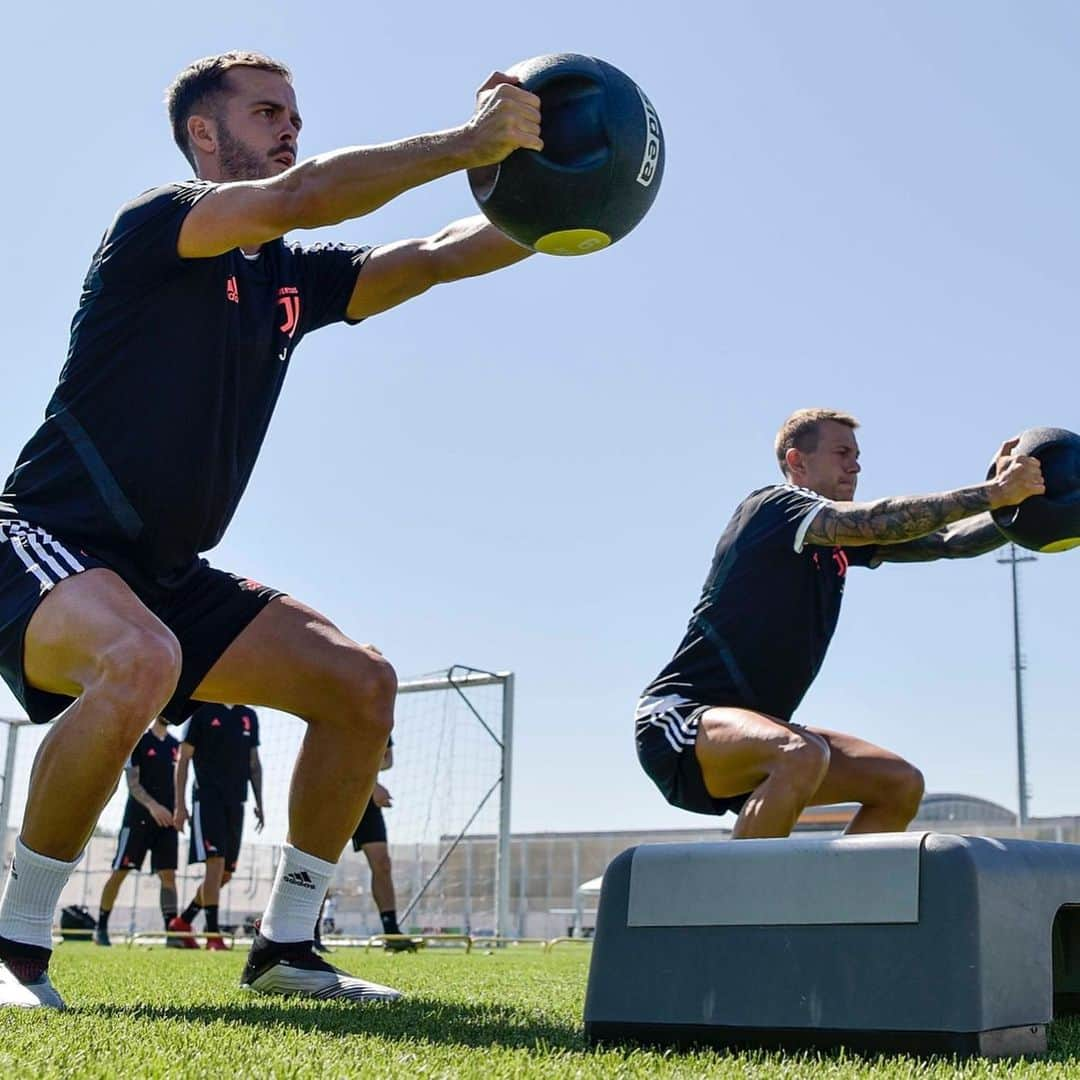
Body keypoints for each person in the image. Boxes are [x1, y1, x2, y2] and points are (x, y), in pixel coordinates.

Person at [0, 49, 543, 1008]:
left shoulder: (291, 279)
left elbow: (440, 254)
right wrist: (468, 141)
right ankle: (13, 946)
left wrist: (567, 204)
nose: (288, 127)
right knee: (138, 660)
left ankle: (288, 946)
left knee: (358, 683)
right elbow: (306, 195)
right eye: (264, 112)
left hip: (166, 573)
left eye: (293, 113)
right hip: (47, 540)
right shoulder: (159, 223)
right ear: (205, 135)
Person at [636, 408, 1045, 839]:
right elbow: (873, 520)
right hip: (681, 722)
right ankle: (742, 906)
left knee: (899, 785)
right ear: (798, 462)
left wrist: (1031, 511)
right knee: (798, 753)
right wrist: (994, 491)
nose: (856, 464)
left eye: (857, 454)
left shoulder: (836, 543)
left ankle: (841, 909)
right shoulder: (774, 508)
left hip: (759, 736)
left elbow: (947, 542)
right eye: (842, 452)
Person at [169, 703, 263, 950]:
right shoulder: (201, 711)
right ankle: (213, 935)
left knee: (225, 874)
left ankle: (183, 921)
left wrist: (260, 802)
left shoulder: (248, 715)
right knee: (215, 864)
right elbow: (183, 759)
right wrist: (180, 806)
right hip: (207, 800)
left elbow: (254, 763)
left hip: (237, 803)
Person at [94, 718, 181, 947]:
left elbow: (179, 782)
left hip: (167, 822)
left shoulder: (176, 745)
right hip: (138, 820)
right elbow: (133, 784)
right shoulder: (139, 740)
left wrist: (180, 809)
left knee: (168, 876)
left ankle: (171, 934)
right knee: (120, 871)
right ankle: (100, 928)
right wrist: (153, 807)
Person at [349, 738, 414, 951]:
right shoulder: (341, 708)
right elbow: (330, 755)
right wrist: (370, 781)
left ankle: (391, 932)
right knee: (321, 861)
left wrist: (367, 780)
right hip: (334, 791)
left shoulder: (379, 711)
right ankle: (310, 935)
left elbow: (387, 760)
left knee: (382, 864)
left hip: (367, 797)